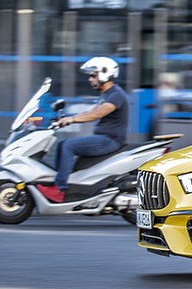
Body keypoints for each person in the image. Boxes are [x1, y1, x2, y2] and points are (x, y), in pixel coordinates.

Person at [38, 56, 129, 203]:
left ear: (105, 73)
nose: (90, 79)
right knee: (62, 144)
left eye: (93, 75)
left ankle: (60, 189)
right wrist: (66, 119)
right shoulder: (107, 94)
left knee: (68, 145)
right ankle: (58, 182)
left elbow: (98, 114)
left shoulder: (116, 94)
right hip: (104, 138)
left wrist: (72, 120)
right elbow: (89, 112)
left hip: (110, 140)